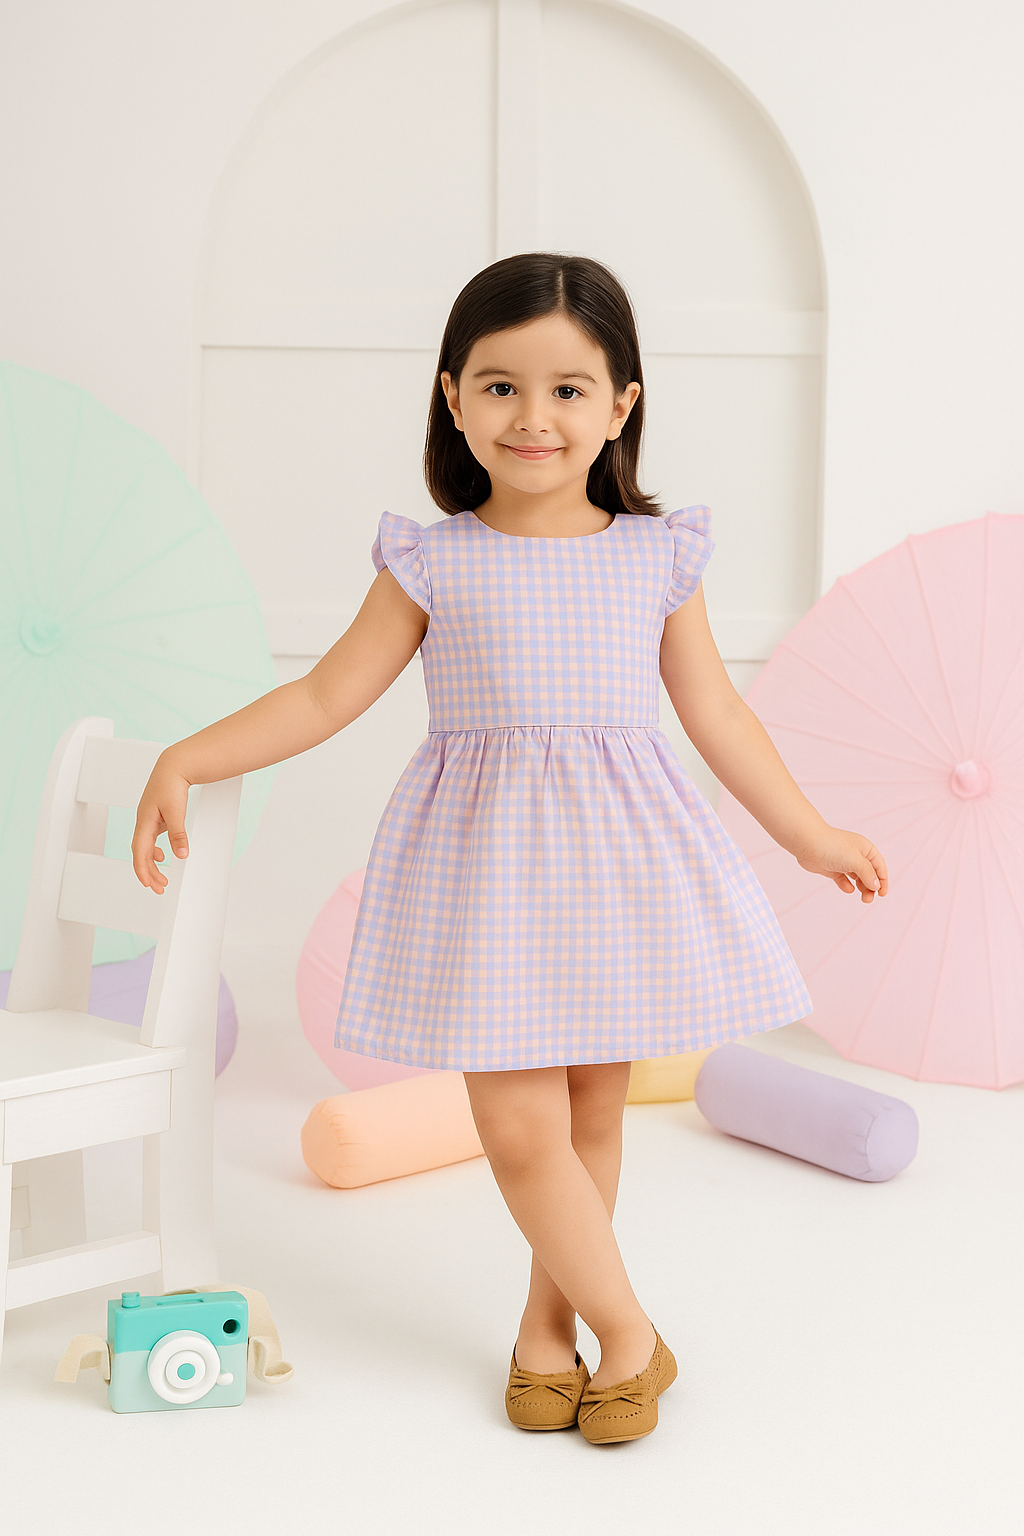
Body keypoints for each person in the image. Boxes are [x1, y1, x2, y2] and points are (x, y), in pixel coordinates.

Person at [132, 252, 888, 1446]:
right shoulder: (433, 559)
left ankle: (550, 1331)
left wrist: (808, 834)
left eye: (568, 390)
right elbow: (327, 695)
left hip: (620, 867)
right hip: (488, 880)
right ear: (452, 397)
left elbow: (716, 715)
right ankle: (634, 1333)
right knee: (521, 1126)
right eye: (499, 387)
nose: (533, 418)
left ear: (621, 405)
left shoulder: (656, 556)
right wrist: (187, 756)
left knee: (590, 1114)